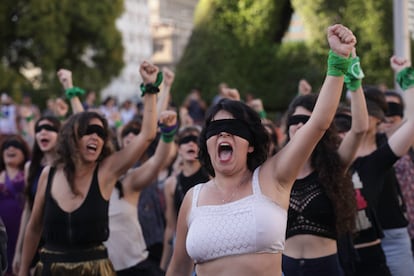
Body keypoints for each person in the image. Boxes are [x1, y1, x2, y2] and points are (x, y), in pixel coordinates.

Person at [165, 24, 357, 276]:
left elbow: (319, 123)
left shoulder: (271, 178)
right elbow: (178, 268)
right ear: (207, 144)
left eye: (233, 127)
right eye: (215, 128)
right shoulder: (193, 198)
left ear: (251, 143)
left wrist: (338, 59)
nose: (223, 133)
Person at [18, 61, 160, 275]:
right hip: (50, 268)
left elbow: (147, 135)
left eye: (101, 133)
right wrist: (22, 270)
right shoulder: (49, 174)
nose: (95, 136)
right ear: (72, 137)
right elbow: (34, 227)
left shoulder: (106, 172)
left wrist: (150, 87)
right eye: (88, 131)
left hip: (93, 270)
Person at [282, 47, 368, 275]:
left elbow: (359, 129)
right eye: (296, 120)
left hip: (325, 267)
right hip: (284, 267)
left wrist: (354, 80)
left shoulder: (335, 164)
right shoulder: (275, 169)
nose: (300, 126)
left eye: (307, 121)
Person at [349, 56, 414, 276]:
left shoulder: (387, 145)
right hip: (356, 241)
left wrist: (405, 75)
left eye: (366, 110)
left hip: (392, 235)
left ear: (378, 117)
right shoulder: (341, 151)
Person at [105, 110, 177, 275]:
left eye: (135, 135)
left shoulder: (129, 179)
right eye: (126, 135)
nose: (131, 138)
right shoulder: (89, 182)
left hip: (142, 257)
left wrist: (167, 132)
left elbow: (160, 158)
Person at [12, 116, 61, 275]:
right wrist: (19, 251)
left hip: (60, 240)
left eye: (49, 128)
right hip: (36, 239)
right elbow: (28, 211)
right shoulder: (30, 167)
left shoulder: (67, 168)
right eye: (38, 129)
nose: (42, 132)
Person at [160, 125, 211, 271]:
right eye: (186, 140)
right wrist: (163, 266)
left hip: (209, 244)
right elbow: (171, 227)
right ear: (178, 149)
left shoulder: (212, 177)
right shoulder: (171, 184)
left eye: (195, 140)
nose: (191, 144)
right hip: (184, 247)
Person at [379, 90, 414, 254]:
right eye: (383, 108)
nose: (389, 116)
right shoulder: (370, 147)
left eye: (394, 108)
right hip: (389, 230)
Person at [0, 134, 31, 276]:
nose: (11, 148)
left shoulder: (31, 175)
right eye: (7, 146)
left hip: (24, 233)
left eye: (16, 146)